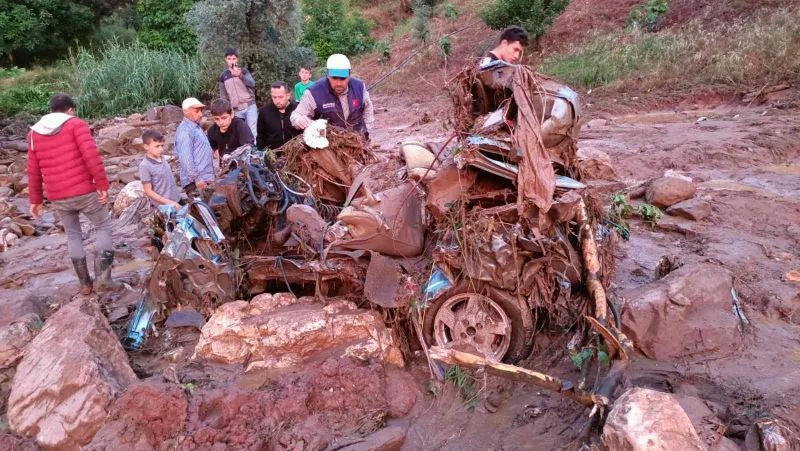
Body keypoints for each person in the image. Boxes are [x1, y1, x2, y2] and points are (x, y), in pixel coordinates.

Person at [27, 94, 115, 295]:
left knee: (73, 235)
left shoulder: (34, 134)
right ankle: (103, 281)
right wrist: (102, 184)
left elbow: (33, 170)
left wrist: (36, 200)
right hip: (84, 191)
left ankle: (85, 284)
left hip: (58, 196)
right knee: (103, 227)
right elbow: (91, 156)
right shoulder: (76, 125)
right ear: (69, 110)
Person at [290, 54, 374, 139]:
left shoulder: (359, 87)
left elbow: (368, 109)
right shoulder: (314, 92)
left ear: (349, 76)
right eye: (334, 78)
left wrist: (367, 132)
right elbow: (296, 115)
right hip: (329, 145)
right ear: (327, 75)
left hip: (357, 141)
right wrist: (298, 120)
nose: (338, 83)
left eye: (343, 79)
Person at [174, 97, 215, 192]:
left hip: (204, 179)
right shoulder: (185, 131)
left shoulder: (195, 127)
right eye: (196, 111)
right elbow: (186, 159)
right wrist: (197, 179)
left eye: (201, 111)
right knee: (202, 206)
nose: (201, 114)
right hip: (196, 183)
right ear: (185, 112)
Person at [219, 48, 258, 139]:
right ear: (226, 60)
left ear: (237, 59)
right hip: (236, 110)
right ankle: (243, 152)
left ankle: (254, 152)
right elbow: (223, 96)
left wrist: (240, 75)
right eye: (229, 59)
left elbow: (252, 84)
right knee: (240, 133)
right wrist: (227, 110)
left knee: (253, 132)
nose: (231, 61)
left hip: (249, 106)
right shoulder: (223, 76)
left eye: (233, 58)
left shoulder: (244, 71)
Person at [139, 129, 182, 208]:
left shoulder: (162, 158)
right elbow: (148, 191)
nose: (161, 149)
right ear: (146, 146)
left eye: (161, 145)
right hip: (164, 206)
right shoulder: (144, 166)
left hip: (176, 198)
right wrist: (168, 202)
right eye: (157, 146)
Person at [257, 81, 301, 150]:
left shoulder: (298, 110)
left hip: (296, 153)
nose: (277, 101)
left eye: (280, 97)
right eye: (274, 97)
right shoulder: (264, 112)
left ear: (288, 95)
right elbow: (260, 136)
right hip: (273, 154)